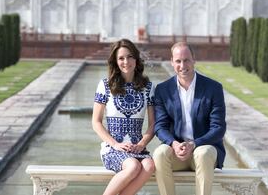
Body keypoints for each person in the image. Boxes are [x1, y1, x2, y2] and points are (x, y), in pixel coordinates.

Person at [153, 42, 226, 195]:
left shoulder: (213, 88)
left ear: (194, 60)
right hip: (177, 151)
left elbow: (218, 128)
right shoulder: (162, 90)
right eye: (178, 61)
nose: (182, 65)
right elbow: (160, 126)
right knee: (159, 153)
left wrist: (194, 144)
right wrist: (173, 144)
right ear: (172, 62)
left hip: (204, 148)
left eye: (186, 60)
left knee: (203, 153)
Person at [92, 39, 156, 195]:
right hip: (113, 148)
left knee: (149, 166)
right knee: (133, 166)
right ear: (115, 61)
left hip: (137, 147)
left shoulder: (148, 88)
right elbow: (96, 122)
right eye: (121, 58)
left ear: (136, 59)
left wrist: (141, 144)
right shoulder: (105, 85)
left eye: (129, 57)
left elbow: (153, 124)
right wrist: (115, 144)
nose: (126, 61)